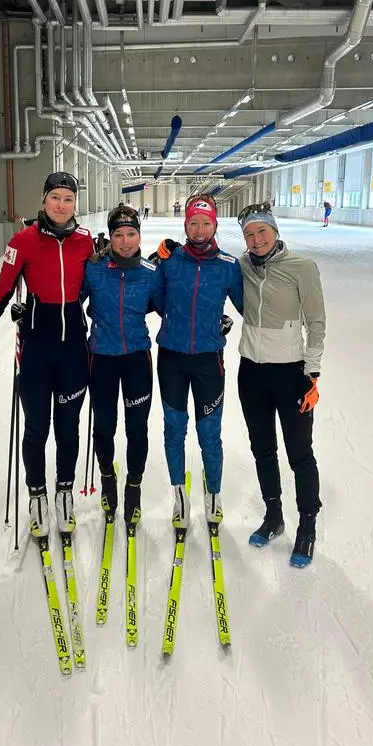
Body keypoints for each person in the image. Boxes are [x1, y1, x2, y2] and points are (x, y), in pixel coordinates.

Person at [0, 172, 94, 539]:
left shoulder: (84, 241)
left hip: (74, 349)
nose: (61, 205)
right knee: (36, 428)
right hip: (36, 348)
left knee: (68, 428)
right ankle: (36, 495)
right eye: (55, 198)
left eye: (68, 199)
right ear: (44, 200)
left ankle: (64, 492)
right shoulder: (23, 241)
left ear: (75, 204)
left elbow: (99, 288)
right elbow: (1, 292)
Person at [237, 202, 326, 567]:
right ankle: (273, 515)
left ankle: (307, 525)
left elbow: (316, 321)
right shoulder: (241, 265)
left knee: (299, 453)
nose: (256, 240)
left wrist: (313, 373)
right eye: (249, 234)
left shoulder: (301, 267)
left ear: (275, 232)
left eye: (262, 232)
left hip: (291, 373)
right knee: (262, 449)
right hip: (251, 372)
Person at [152, 195, 243, 528]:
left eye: (206, 223)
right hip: (172, 359)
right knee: (174, 430)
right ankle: (178, 493)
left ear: (215, 225)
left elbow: (250, 306)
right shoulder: (170, 261)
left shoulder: (229, 266)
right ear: (185, 224)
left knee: (209, 433)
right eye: (194, 223)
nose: (200, 229)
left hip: (209, 361)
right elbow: (159, 301)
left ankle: (214, 492)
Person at [82, 203, 161, 526]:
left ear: (139, 235)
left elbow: (174, 306)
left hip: (136, 359)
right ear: (110, 237)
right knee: (103, 427)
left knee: (137, 428)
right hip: (100, 358)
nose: (125, 241)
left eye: (131, 234)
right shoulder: (94, 269)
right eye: (118, 235)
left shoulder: (152, 273)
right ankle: (108, 479)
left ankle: (134, 487)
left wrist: (214, 320)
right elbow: (69, 302)